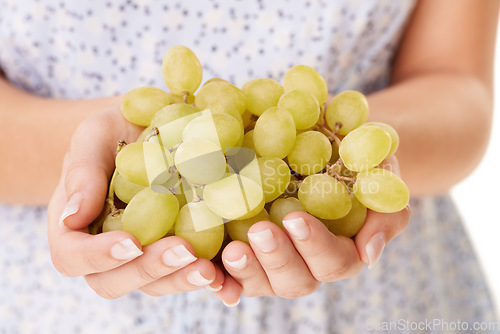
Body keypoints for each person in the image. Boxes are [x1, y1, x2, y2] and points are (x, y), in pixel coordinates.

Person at [1, 0, 499, 333]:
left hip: (378, 299)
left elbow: (456, 84)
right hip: (63, 307)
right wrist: (95, 162)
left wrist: (357, 153)